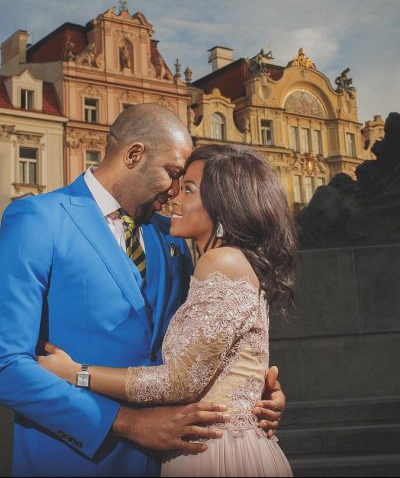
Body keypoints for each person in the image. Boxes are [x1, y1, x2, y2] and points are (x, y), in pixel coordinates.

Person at [0, 105, 285, 476]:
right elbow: (1, 366)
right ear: (134, 154)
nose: (174, 192)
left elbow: (201, 342)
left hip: (174, 460)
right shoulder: (39, 219)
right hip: (76, 460)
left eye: (184, 183)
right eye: (172, 175)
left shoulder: (171, 236)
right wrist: (126, 423)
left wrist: (249, 391)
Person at [39, 143, 297, 476]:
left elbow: (179, 383)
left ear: (224, 206)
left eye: (188, 189)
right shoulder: (221, 262)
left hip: (216, 453)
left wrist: (75, 373)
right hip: (213, 445)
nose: (174, 196)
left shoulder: (222, 261)